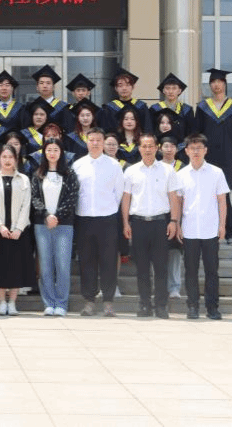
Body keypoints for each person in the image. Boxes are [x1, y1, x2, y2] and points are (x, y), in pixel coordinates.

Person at [121, 134, 182, 320]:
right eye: (144, 146)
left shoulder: (167, 170)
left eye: (151, 146)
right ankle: (144, 304)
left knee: (161, 267)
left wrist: (174, 221)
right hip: (138, 223)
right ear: (139, 148)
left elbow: (173, 197)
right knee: (142, 268)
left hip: (160, 224)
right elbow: (126, 198)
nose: (147, 149)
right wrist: (125, 222)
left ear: (157, 148)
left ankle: (161, 306)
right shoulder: (131, 171)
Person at [72, 127, 124, 317]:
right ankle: (89, 301)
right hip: (84, 219)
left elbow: (119, 193)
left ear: (103, 143)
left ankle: (108, 302)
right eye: (91, 140)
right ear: (86, 142)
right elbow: (75, 193)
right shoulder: (77, 165)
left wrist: (107, 209)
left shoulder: (114, 165)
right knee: (87, 261)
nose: (95, 143)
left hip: (107, 219)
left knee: (108, 261)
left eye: (98, 140)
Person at [176, 134, 229, 320]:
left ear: (205, 150)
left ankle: (212, 307)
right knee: (190, 271)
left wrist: (222, 225)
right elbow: (178, 202)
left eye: (199, 148)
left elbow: (222, 201)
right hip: (189, 230)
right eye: (192, 148)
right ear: (186, 151)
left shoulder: (216, 173)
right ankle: (192, 307)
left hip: (210, 229)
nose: (196, 151)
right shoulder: (181, 175)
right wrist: (177, 224)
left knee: (211, 271)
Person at [194, 68, 232, 244]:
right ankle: (208, 230)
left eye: (219, 81)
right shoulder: (203, 108)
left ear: (225, 84)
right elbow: (197, 133)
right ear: (210, 85)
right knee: (206, 194)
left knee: (226, 195)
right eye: (213, 82)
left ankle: (231, 232)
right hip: (208, 157)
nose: (216, 85)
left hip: (228, 157)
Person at [0, 144, 33, 315]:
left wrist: (19, 228)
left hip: (18, 232)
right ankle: (2, 302)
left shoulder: (24, 180)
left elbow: (26, 205)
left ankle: (13, 302)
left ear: (16, 159)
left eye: (11, 157)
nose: (7, 160)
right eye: (4, 157)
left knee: (16, 266)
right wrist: (0, 226)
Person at [30, 137, 79, 317]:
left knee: (63, 265)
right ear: (44, 152)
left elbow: (72, 198)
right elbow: (34, 198)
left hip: (64, 224)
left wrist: (57, 216)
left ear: (61, 153)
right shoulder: (38, 174)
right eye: (49, 150)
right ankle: (49, 302)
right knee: (45, 265)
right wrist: (46, 215)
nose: (52, 153)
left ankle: (61, 303)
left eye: (56, 150)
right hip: (42, 224)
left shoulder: (69, 174)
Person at [159, 136, 185, 299]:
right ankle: (160, 287)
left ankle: (174, 287)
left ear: (177, 149)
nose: (169, 149)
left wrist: (178, 221)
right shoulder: (155, 167)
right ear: (160, 148)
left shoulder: (184, 168)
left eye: (172, 146)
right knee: (158, 252)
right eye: (166, 146)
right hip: (159, 214)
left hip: (178, 215)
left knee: (175, 252)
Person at [99, 67, 152, 134]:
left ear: (133, 87)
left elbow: (147, 128)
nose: (124, 88)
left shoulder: (141, 106)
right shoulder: (110, 108)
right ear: (116, 88)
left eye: (127, 85)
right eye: (120, 85)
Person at [29, 64, 72, 132]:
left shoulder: (63, 107)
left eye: (48, 83)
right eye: (41, 83)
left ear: (54, 87)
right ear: (37, 87)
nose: (45, 86)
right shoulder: (30, 107)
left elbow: (69, 130)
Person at [151, 73, 193, 140]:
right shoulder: (155, 109)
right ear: (163, 91)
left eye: (174, 88)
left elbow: (190, 133)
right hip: (160, 145)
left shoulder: (186, 110)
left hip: (181, 145)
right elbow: (151, 131)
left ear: (179, 91)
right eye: (167, 88)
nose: (170, 91)